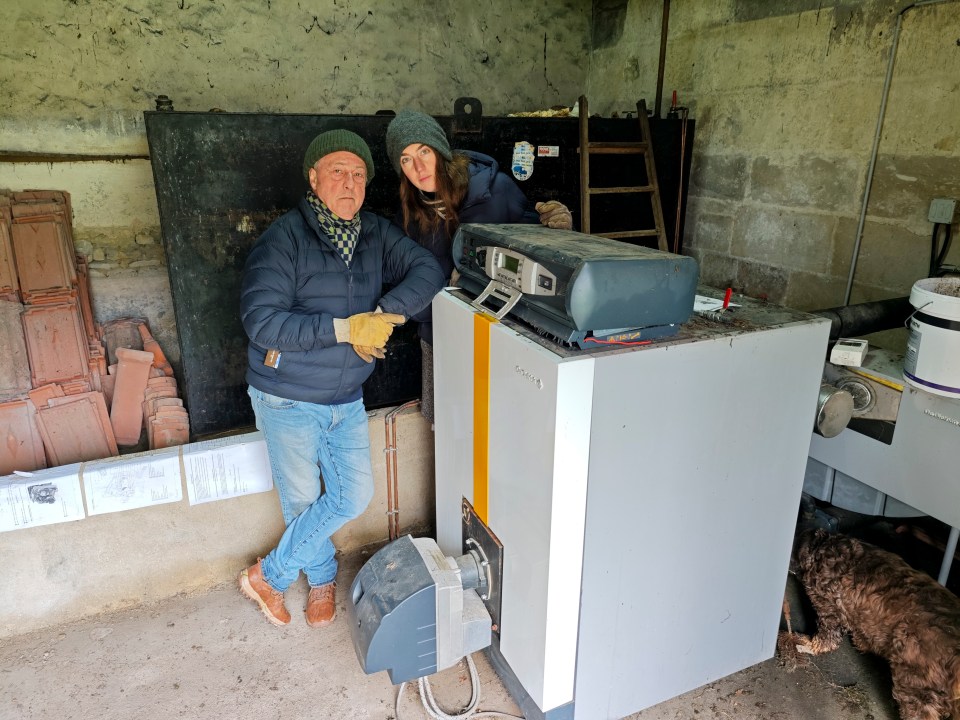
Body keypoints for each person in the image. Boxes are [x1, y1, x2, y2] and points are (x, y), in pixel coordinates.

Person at [238, 129, 444, 628]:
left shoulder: (373, 233)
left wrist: (385, 314)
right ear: (313, 178)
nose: (349, 183)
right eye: (337, 171)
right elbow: (262, 322)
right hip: (286, 395)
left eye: (358, 174)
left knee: (352, 495)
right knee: (304, 500)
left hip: (346, 394)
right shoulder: (284, 239)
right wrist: (346, 328)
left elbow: (428, 268)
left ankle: (269, 575)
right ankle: (323, 579)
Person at [384, 109, 573, 423]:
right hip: (442, 338)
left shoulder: (495, 189)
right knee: (450, 432)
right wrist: (448, 292)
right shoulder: (410, 215)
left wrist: (557, 228)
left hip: (500, 335)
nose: (418, 167)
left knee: (500, 431)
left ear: (440, 150)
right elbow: (409, 287)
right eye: (405, 159)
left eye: (423, 152)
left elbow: (538, 251)